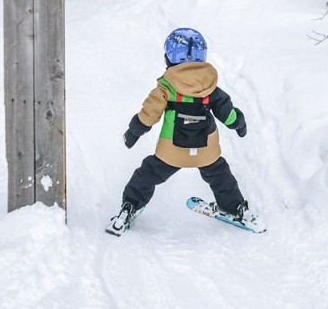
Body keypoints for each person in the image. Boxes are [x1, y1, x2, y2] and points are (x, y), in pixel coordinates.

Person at [106, 27, 256, 235]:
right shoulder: (211, 88)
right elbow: (227, 113)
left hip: (172, 152)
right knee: (221, 177)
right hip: (206, 152)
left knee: (147, 174)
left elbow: (149, 114)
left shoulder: (166, 88)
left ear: (169, 58)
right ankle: (235, 208)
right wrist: (239, 124)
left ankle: (130, 206)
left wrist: (133, 133)